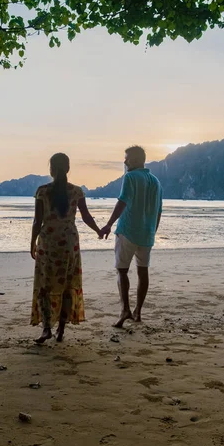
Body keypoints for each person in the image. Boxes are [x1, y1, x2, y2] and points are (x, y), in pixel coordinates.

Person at [30, 153, 101, 343]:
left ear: (51, 169)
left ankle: (46, 329)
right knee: (67, 285)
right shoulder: (76, 192)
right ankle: (60, 330)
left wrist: (32, 243)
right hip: (69, 243)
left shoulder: (42, 191)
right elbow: (86, 217)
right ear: (68, 169)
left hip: (48, 243)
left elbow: (38, 221)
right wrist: (98, 230)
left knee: (45, 285)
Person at [99, 146, 162, 328]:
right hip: (147, 234)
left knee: (122, 270)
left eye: (127, 159)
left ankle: (125, 309)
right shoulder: (156, 181)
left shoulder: (130, 177)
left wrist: (109, 224)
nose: (125, 162)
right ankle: (138, 312)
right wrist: (152, 231)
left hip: (128, 231)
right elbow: (159, 210)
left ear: (135, 160)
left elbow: (122, 201)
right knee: (143, 272)